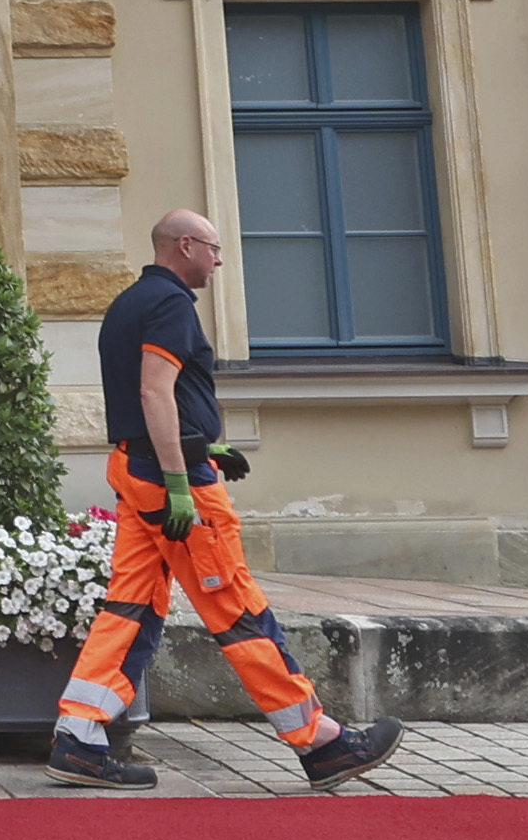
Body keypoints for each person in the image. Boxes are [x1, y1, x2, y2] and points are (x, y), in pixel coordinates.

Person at [53, 206, 399, 794]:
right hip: (171, 483)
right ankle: (320, 742)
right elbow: (154, 392)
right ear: (184, 246)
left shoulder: (128, 304)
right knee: (239, 611)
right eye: (212, 248)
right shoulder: (169, 305)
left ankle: (78, 738)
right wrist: (184, 476)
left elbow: (149, 407)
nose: (218, 260)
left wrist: (207, 445)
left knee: (129, 610)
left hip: (138, 472)